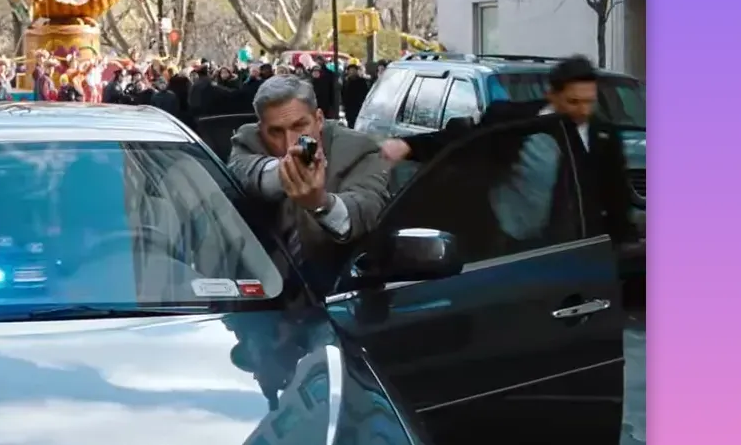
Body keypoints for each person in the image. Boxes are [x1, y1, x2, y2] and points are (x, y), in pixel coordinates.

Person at [380, 54, 637, 248]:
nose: (583, 110)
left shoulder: (603, 137)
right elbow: (466, 140)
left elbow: (616, 197)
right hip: (505, 244)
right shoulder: (516, 122)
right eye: (573, 101)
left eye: (589, 102)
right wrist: (409, 146)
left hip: (572, 249)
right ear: (553, 96)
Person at [226, 75, 391, 291]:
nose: (289, 142)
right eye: (275, 131)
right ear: (261, 128)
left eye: (299, 126)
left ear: (319, 119)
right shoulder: (249, 139)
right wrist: (287, 173)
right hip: (262, 290)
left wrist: (322, 204)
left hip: (337, 292)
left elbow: (365, 209)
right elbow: (244, 171)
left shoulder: (359, 148)